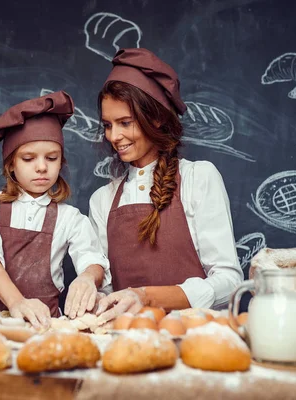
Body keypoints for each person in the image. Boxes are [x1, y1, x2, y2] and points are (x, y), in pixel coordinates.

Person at [88, 48, 243, 323]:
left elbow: (229, 281)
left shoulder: (199, 178)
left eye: (125, 123)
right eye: (108, 125)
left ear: (156, 117)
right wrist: (95, 298)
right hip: (128, 339)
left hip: (195, 337)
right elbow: (108, 289)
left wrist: (147, 296)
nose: (114, 136)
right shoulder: (102, 199)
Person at [0, 90, 111, 330]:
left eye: (52, 158)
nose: (42, 167)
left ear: (61, 162)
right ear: (11, 164)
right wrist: (17, 303)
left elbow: (92, 259)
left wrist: (88, 277)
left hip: (45, 326)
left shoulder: (70, 218)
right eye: (28, 158)